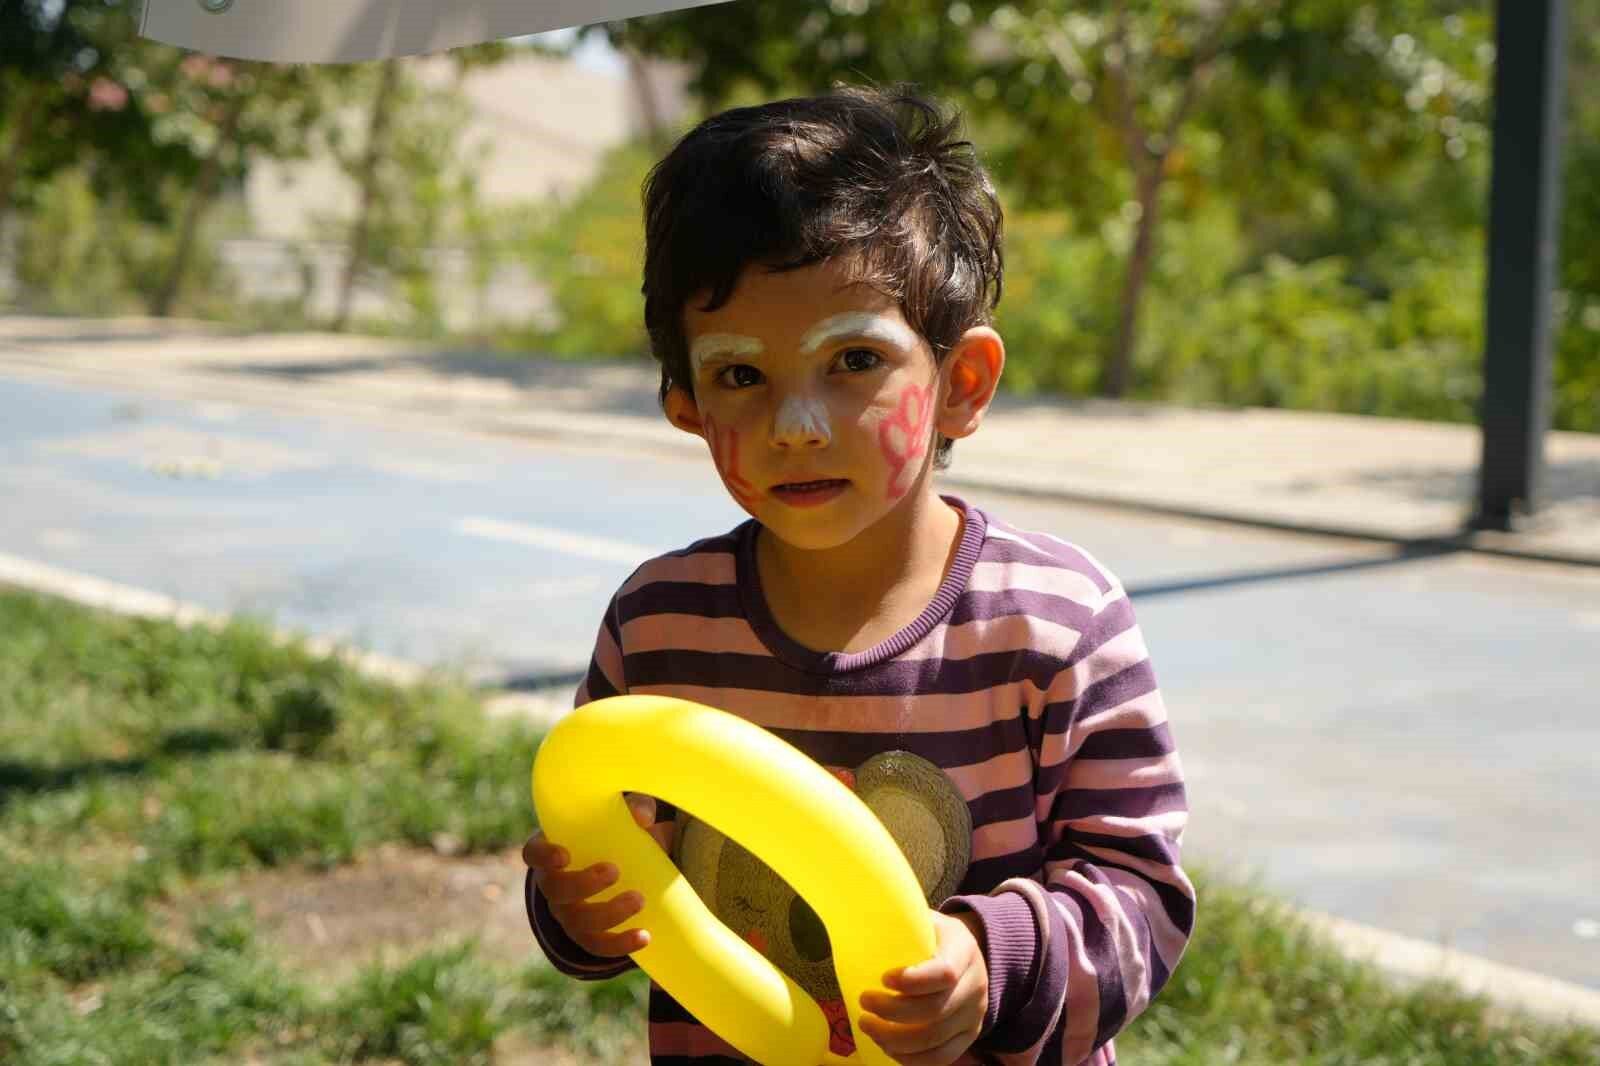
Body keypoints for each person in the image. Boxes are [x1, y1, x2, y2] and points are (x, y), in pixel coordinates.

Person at [523, 85, 1194, 1066]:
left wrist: (989, 954)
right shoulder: (661, 621)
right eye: (741, 376)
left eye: (851, 360)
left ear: (959, 384)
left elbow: (1143, 897)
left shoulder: (1056, 625)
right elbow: (610, 848)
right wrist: (577, 910)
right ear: (687, 406)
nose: (797, 424)